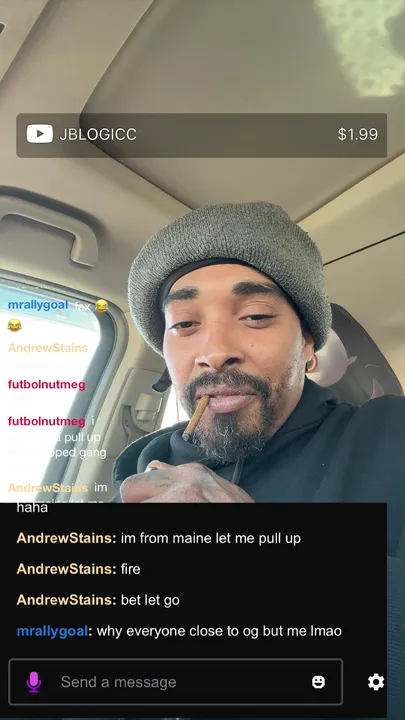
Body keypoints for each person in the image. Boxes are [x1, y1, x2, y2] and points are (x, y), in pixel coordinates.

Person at [111, 202, 405, 719]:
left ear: (308, 344)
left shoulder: (391, 438)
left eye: (255, 317)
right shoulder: (138, 471)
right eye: (185, 324)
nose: (215, 351)